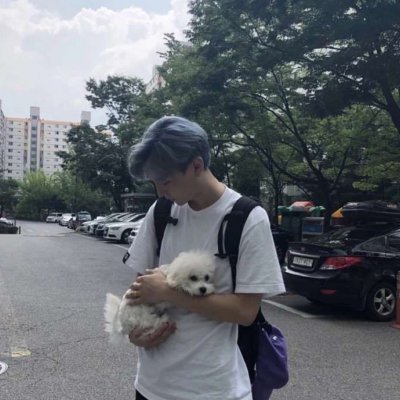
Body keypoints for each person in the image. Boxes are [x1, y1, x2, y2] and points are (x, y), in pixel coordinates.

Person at [125, 116, 285, 400]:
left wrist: (169, 292)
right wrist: (133, 328)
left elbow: (246, 312)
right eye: (155, 183)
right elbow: (142, 289)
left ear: (197, 166)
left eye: (166, 181)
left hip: (214, 389)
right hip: (151, 387)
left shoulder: (247, 218)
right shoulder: (161, 212)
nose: (160, 191)